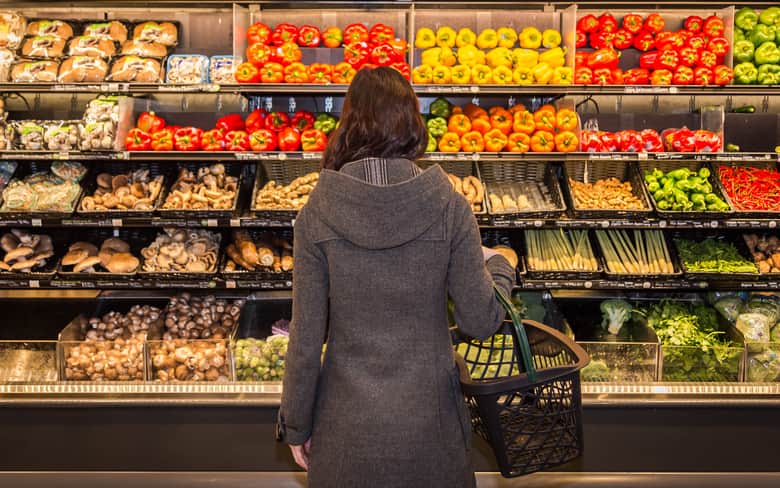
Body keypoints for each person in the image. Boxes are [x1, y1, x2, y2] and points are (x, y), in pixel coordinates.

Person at [279, 66, 515, 488]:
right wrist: (499, 266)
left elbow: (306, 336)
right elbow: (481, 320)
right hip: (432, 432)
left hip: (345, 432)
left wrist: (296, 424)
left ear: (348, 122)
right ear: (412, 120)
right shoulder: (449, 206)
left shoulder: (315, 212)